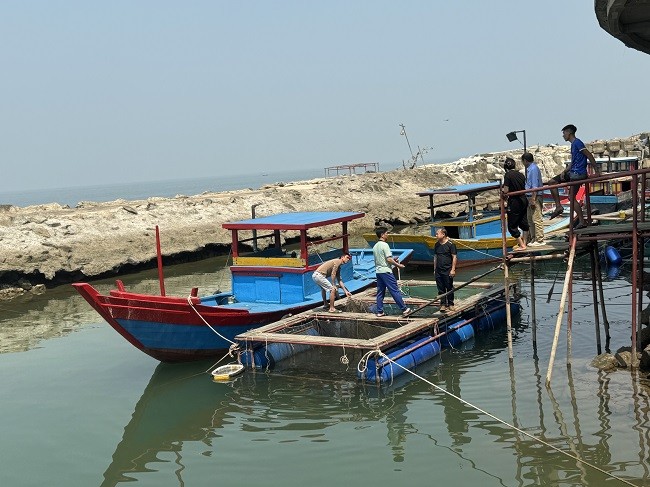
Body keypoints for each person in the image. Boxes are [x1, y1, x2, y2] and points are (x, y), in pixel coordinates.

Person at [548, 124, 600, 228]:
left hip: (578, 174)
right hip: (573, 172)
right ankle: (559, 207)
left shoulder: (577, 143)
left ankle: (580, 220)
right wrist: (564, 171)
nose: (563, 136)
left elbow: (588, 155)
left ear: (569, 132)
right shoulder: (574, 145)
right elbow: (574, 161)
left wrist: (597, 171)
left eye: (564, 133)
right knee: (553, 183)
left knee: (570, 196)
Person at [372, 227, 410, 317]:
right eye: (386, 233)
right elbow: (388, 259)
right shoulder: (385, 245)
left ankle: (380, 311)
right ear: (382, 235)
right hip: (386, 271)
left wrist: (394, 259)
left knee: (380, 292)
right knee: (394, 290)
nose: (387, 235)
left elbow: (383, 259)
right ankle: (404, 309)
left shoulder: (375, 246)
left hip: (378, 271)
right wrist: (398, 265)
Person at [501, 157, 529, 251]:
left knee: (512, 226)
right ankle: (524, 243)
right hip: (523, 199)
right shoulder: (520, 174)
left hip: (514, 201)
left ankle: (522, 245)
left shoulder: (508, 175)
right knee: (524, 222)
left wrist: (503, 193)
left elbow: (506, 190)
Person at [522, 152, 545, 246]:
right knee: (530, 219)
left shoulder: (533, 169)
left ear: (525, 161)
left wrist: (533, 198)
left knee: (536, 218)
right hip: (529, 196)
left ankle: (540, 239)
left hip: (533, 196)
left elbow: (535, 185)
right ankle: (534, 238)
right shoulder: (529, 169)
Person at [433, 227, 457, 312]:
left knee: (449, 287)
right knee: (440, 288)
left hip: (447, 269)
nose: (436, 235)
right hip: (438, 270)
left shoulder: (451, 244)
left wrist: (453, 269)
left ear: (443, 234)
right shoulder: (436, 244)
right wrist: (434, 269)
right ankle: (443, 304)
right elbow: (435, 257)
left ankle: (451, 304)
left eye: (437, 234)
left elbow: (454, 257)